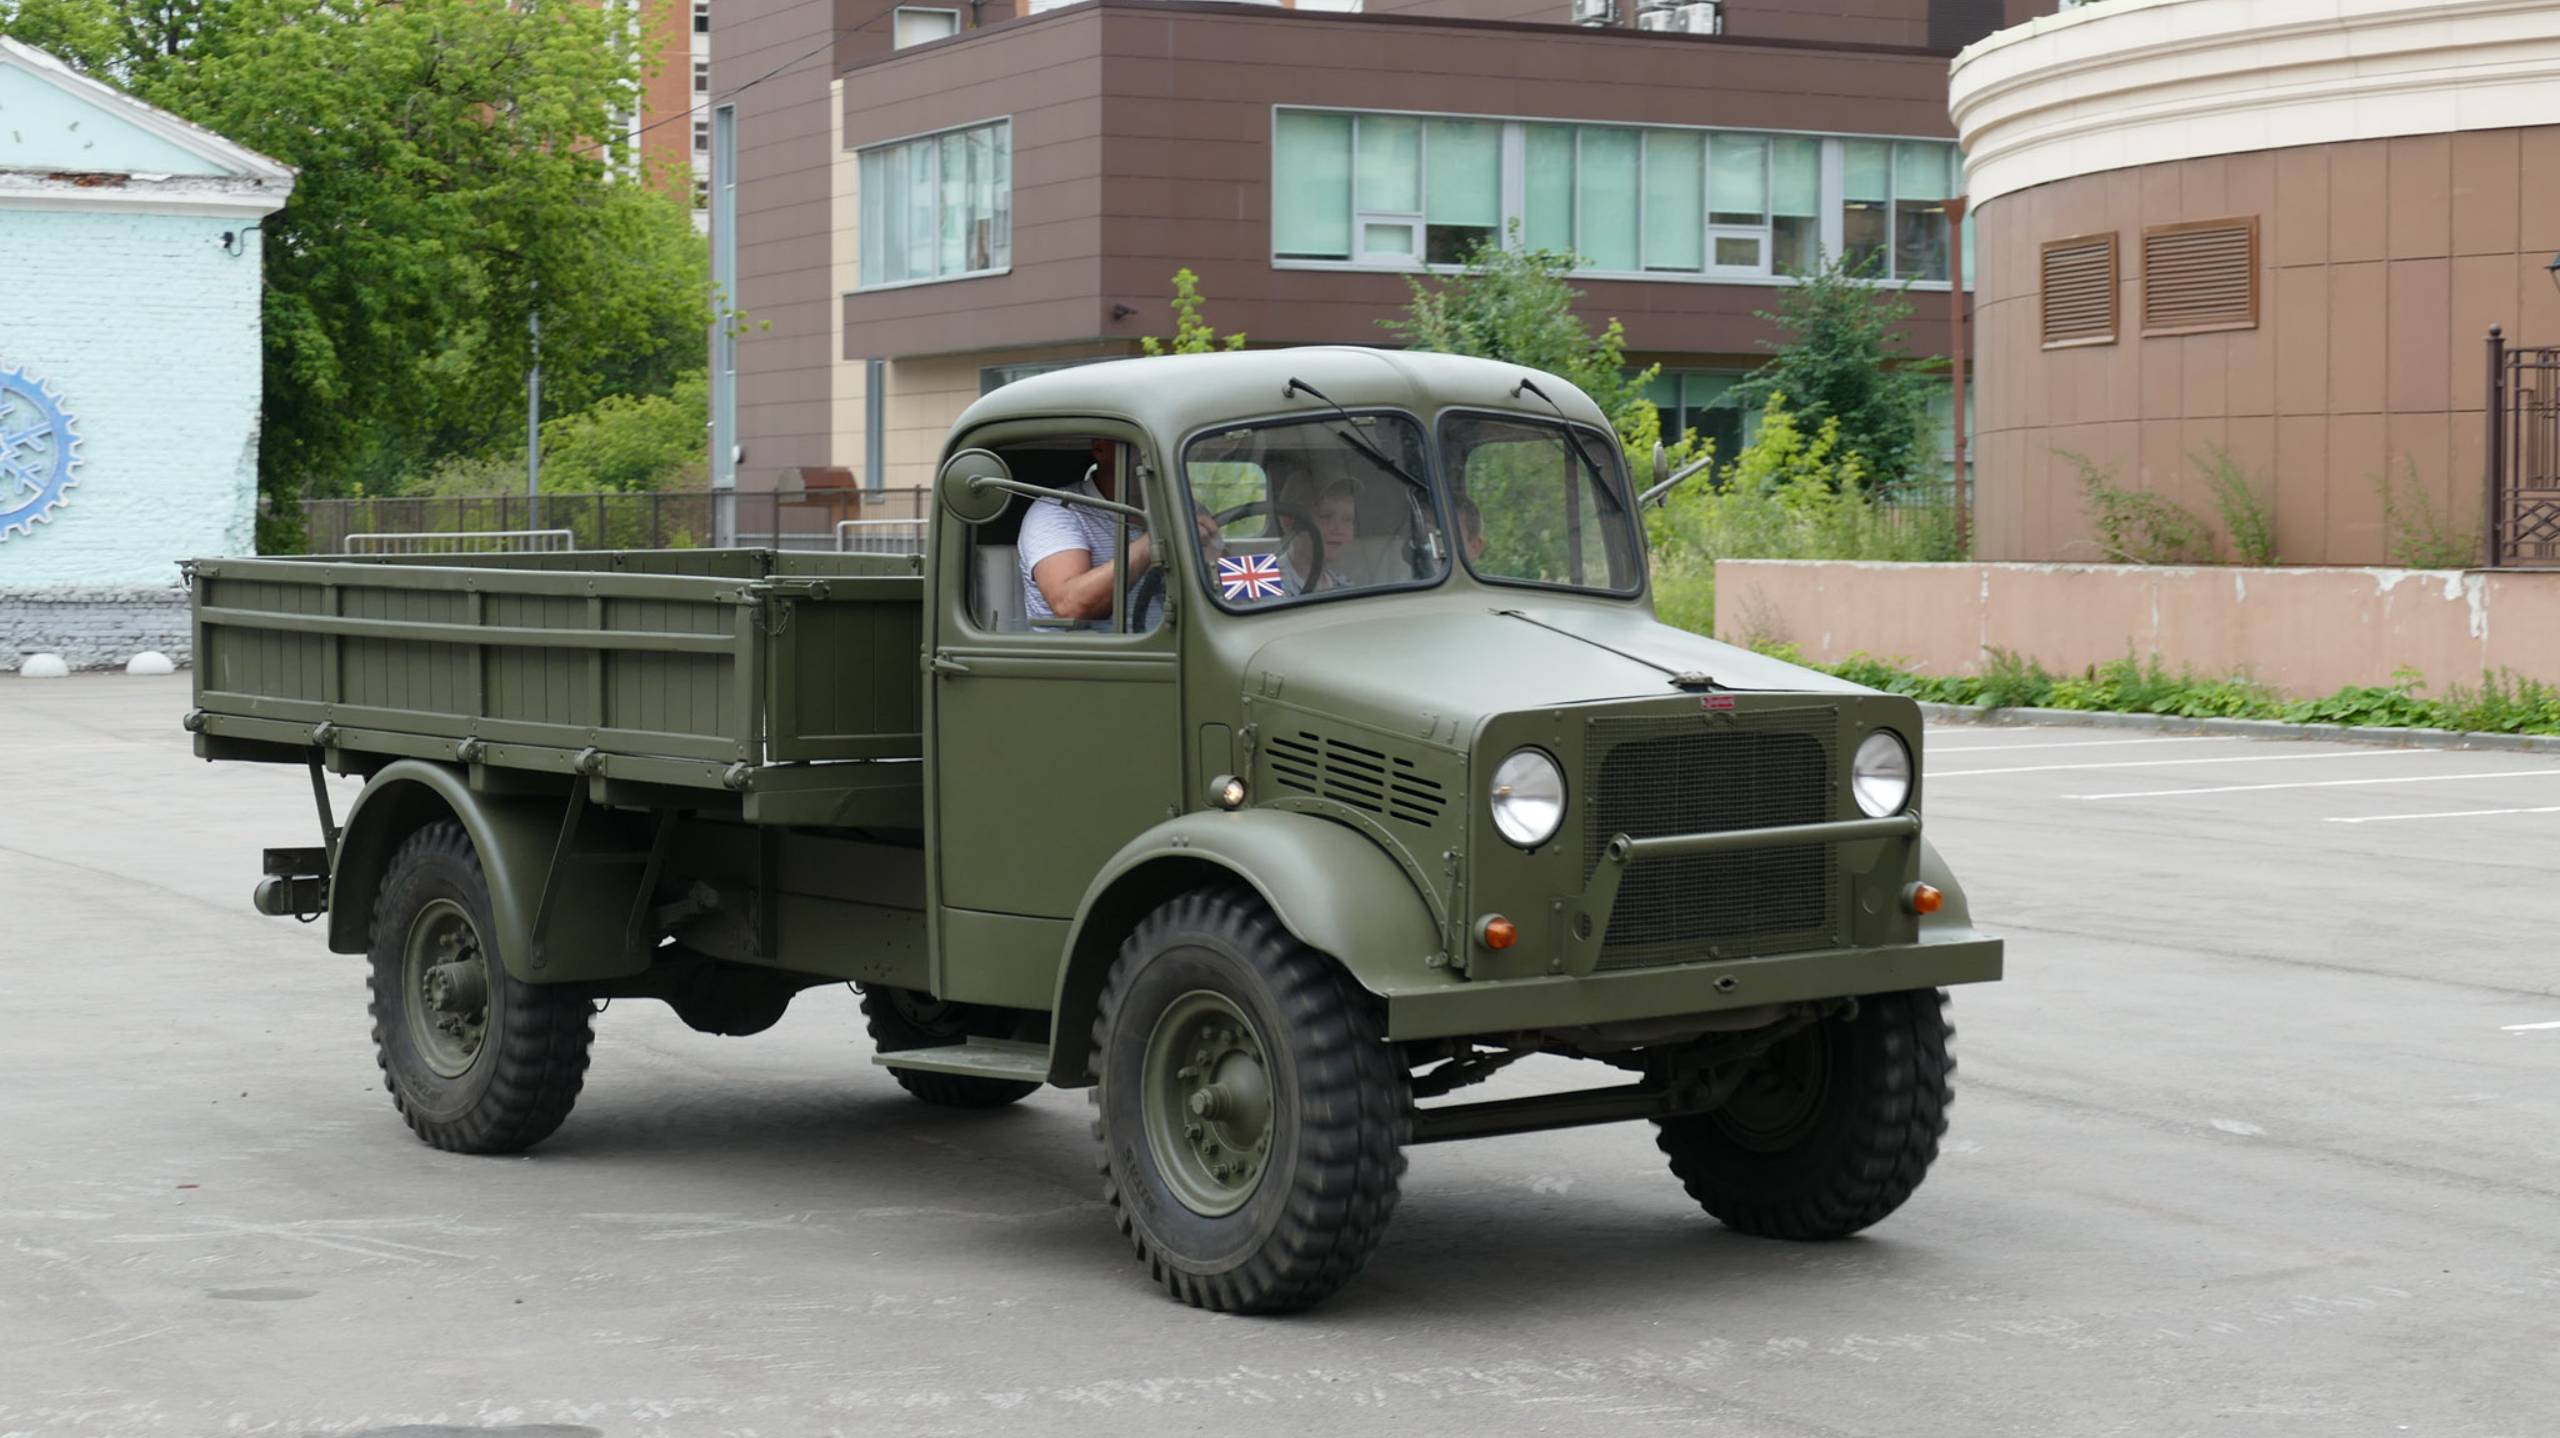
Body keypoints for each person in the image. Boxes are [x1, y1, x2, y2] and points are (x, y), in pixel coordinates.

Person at [1019, 439, 1212, 628]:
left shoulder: (1187, 510)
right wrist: (1156, 539)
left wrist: (1212, 557)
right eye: (1144, 446)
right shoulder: (1058, 510)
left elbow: (1225, 591)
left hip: (1179, 650)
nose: (1161, 456)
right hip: (1095, 656)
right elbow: (1070, 606)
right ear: (1101, 448)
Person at [1275, 467, 1361, 592]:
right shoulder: (1259, 583)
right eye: (1326, 516)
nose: (1339, 529)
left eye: (1348, 519)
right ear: (1289, 522)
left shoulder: (1343, 585)